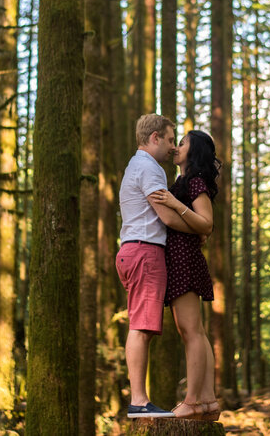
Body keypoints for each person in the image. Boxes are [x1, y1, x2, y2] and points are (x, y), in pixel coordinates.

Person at [116, 114, 200, 418]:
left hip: (134, 251)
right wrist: (199, 227)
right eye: (168, 139)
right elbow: (166, 217)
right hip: (144, 252)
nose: (172, 147)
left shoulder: (136, 165)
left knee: (142, 327)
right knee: (140, 328)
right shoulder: (150, 168)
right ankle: (139, 401)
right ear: (154, 138)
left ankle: (140, 399)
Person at [148, 130, 221, 421]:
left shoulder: (194, 181)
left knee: (191, 332)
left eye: (182, 143)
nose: (176, 147)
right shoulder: (183, 180)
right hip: (182, 257)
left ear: (194, 150)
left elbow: (206, 223)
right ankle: (207, 401)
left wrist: (175, 204)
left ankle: (193, 401)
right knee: (196, 332)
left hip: (183, 259)